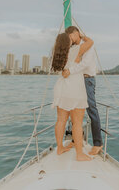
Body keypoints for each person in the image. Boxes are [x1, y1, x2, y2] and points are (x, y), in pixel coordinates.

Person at [51, 32, 94, 161]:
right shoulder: (75, 50)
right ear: (68, 41)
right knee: (77, 123)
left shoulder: (56, 55)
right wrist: (81, 35)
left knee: (61, 120)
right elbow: (90, 42)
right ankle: (79, 154)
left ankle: (59, 148)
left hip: (61, 89)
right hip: (75, 89)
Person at [62, 26, 103, 155]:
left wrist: (70, 71)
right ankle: (76, 139)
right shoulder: (75, 48)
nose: (70, 40)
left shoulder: (88, 46)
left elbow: (85, 64)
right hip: (78, 80)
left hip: (88, 80)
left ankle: (98, 143)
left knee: (91, 109)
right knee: (75, 110)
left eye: (70, 37)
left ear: (75, 34)